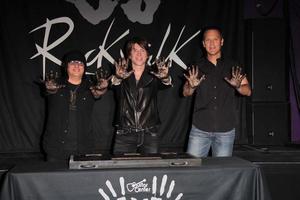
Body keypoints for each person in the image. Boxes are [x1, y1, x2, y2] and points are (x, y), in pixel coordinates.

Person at [183, 26, 251, 157]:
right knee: (192, 171)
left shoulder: (233, 66)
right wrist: (191, 87)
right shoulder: (196, 66)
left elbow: (247, 91)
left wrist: (237, 86)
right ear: (203, 44)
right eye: (208, 40)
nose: (212, 43)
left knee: (222, 173)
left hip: (225, 130)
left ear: (222, 41)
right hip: (200, 129)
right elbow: (185, 92)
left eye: (215, 39)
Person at [43, 50, 109, 161]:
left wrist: (102, 88)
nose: (77, 65)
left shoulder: (91, 86)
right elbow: (48, 91)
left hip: (83, 148)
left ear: (84, 68)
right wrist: (49, 89)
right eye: (72, 62)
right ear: (66, 66)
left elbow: (98, 92)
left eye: (80, 63)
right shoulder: (55, 83)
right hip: (55, 148)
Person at [111, 37, 172, 155]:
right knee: (121, 172)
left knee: (151, 171)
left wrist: (164, 77)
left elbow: (166, 83)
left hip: (149, 133)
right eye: (135, 50)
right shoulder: (120, 73)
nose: (139, 54)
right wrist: (118, 77)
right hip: (125, 134)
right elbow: (113, 84)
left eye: (143, 50)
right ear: (129, 54)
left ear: (148, 55)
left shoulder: (155, 74)